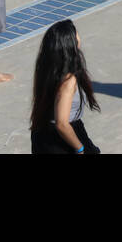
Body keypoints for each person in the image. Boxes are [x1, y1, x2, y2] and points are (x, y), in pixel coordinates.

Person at [30, 19, 102, 154]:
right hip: (62, 137)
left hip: (42, 134)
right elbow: (61, 124)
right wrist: (80, 148)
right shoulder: (68, 81)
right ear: (70, 44)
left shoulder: (45, 69)